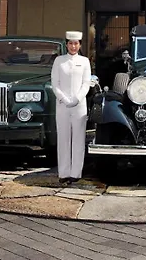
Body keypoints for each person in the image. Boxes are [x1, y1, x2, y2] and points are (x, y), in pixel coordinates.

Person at [51, 31, 91, 184]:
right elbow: (55, 83)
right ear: (66, 44)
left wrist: (76, 99)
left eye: (76, 44)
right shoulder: (59, 61)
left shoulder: (84, 61)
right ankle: (64, 172)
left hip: (79, 105)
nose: (73, 46)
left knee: (78, 139)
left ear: (80, 45)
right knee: (63, 138)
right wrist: (64, 99)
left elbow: (86, 83)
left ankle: (76, 172)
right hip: (62, 105)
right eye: (70, 43)